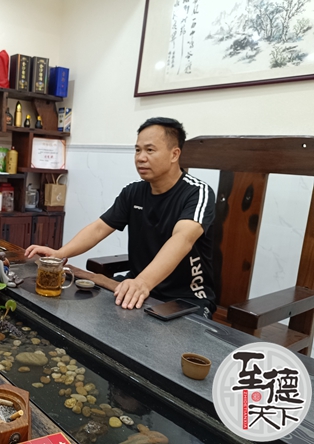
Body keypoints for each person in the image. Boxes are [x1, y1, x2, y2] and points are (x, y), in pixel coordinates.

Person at [26, 117, 216, 318]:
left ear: (174, 154)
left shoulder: (197, 193)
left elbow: (182, 239)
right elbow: (99, 228)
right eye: (137, 150)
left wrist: (142, 282)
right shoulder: (133, 192)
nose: (140, 158)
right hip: (136, 287)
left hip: (185, 298)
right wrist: (59, 254)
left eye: (150, 150)